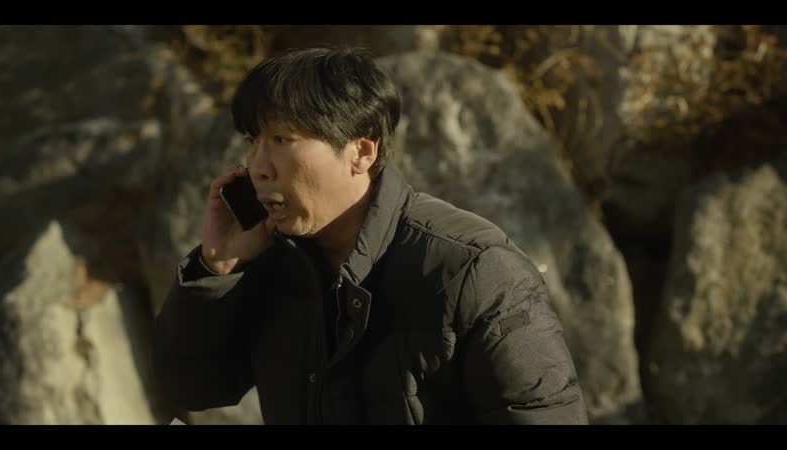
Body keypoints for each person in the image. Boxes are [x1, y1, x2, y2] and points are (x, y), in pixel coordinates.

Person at [152, 47, 588, 425]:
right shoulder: (276, 263)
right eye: (253, 140)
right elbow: (190, 389)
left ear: (361, 151)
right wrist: (217, 267)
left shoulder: (474, 271)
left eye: (282, 138)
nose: (258, 167)